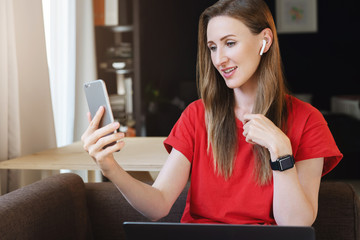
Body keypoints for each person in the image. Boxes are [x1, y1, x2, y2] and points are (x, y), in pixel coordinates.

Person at [81, 0, 342, 226]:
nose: (219, 60)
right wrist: (110, 167)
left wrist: (281, 151)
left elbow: (295, 224)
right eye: (213, 47)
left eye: (229, 43)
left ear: (264, 41)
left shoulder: (308, 120)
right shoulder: (196, 115)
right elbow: (158, 205)